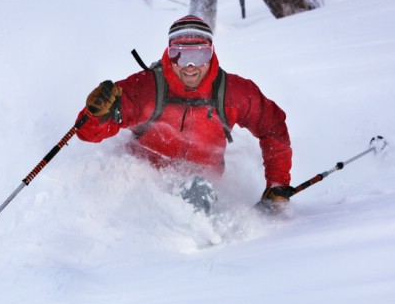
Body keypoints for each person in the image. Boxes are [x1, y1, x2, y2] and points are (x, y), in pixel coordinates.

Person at [76, 15, 293, 214]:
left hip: (206, 191)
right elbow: (88, 133)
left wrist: (277, 183)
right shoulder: (145, 88)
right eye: (179, 55)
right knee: (189, 194)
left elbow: (272, 126)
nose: (190, 66)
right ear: (169, 54)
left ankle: (205, 247)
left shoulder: (233, 92)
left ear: (211, 54)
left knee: (198, 190)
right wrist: (95, 114)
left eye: (199, 55)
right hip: (144, 187)